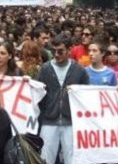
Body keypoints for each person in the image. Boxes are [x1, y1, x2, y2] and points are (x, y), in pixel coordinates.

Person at [36, 34, 89, 164]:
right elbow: (38, 94)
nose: (56, 54)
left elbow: (86, 96)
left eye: (60, 51)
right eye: (54, 51)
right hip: (49, 120)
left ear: (70, 49)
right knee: (45, 158)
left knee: (72, 159)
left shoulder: (79, 70)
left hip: (71, 122)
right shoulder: (45, 68)